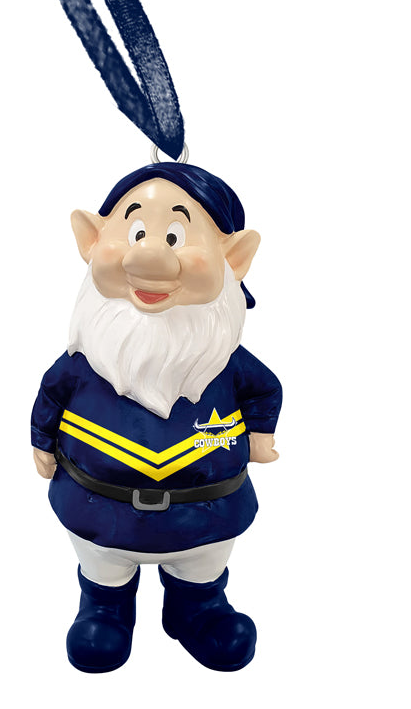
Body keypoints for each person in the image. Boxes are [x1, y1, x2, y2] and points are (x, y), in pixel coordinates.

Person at [31, 162, 282, 673]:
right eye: (136, 233)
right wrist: (41, 442)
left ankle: (198, 609)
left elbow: (265, 389)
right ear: (91, 240)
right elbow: (50, 395)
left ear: (234, 258)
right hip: (99, 512)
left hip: (206, 517)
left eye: (174, 237)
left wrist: (260, 434)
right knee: (103, 573)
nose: (149, 257)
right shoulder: (83, 364)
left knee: (202, 571)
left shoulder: (226, 364)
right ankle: (104, 609)